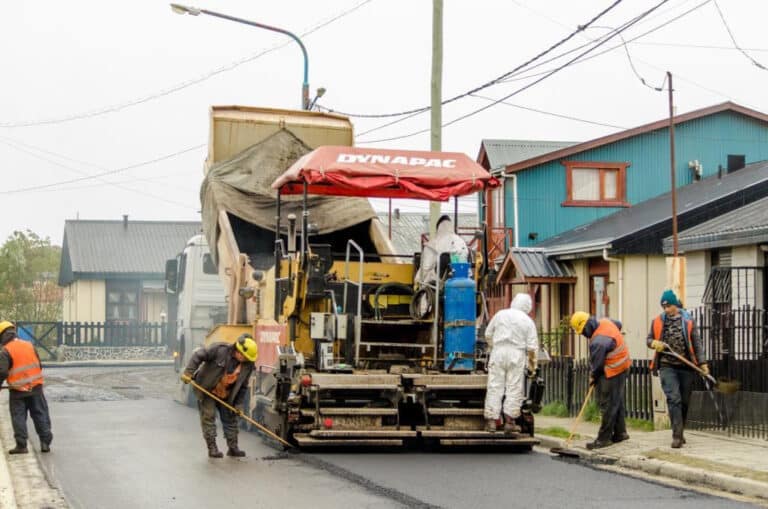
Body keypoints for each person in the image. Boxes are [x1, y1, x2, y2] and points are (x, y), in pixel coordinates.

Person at [647, 289, 707, 449]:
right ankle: (677, 436)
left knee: (685, 401)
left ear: (675, 305)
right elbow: (649, 339)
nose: (666, 309)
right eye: (664, 307)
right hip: (667, 366)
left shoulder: (688, 320)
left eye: (669, 306)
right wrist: (654, 343)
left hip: (686, 365)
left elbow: (697, 343)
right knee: (674, 399)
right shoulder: (658, 321)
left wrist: (703, 363)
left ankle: (681, 430)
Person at [181, 334, 258, 458]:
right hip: (208, 388)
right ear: (238, 351)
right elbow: (198, 355)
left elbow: (243, 387)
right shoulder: (219, 350)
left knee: (230, 419)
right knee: (209, 417)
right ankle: (212, 448)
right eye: (245, 357)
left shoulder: (248, 365)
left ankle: (233, 448)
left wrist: (238, 404)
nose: (246, 360)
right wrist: (188, 372)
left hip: (227, 393)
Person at [570, 311, 631, 450]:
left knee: (608, 404)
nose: (584, 335)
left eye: (582, 331)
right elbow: (619, 324)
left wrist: (593, 377)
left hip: (614, 368)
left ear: (587, 325)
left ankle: (604, 439)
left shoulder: (598, 341)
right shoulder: (605, 322)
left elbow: (597, 366)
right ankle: (620, 433)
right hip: (624, 365)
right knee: (617, 401)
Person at [483, 293, 539, 433]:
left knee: (495, 386)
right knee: (514, 388)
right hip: (517, 354)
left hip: (498, 352)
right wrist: (532, 368)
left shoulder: (500, 314)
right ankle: (509, 421)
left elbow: (488, 334)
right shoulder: (528, 321)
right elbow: (532, 348)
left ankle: (491, 421)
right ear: (527, 307)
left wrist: (493, 346)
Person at [0, 321, 53, 455]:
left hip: (17, 391)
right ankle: (45, 442)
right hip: (35, 387)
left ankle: (21, 445)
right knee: (40, 414)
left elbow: (2, 372)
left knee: (18, 416)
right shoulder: (29, 345)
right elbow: (39, 365)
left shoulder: (5, 350)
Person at [415, 215, 469, 287]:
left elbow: (426, 267)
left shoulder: (433, 242)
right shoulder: (461, 241)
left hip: (440, 283)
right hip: (463, 279)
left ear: (438, 228)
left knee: (425, 289)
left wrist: (417, 280)